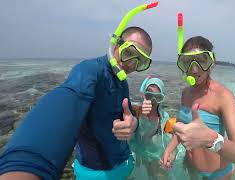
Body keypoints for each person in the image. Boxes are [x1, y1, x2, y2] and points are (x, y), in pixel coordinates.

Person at [0, 2, 159, 179]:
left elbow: (126, 114)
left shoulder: (122, 83)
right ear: (116, 45)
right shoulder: (90, 70)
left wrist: (134, 123)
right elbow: (66, 101)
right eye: (129, 53)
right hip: (95, 173)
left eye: (140, 62)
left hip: (124, 164)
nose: (131, 65)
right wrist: (24, 165)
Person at [160, 13, 235, 180]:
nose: (194, 69)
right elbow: (180, 126)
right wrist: (170, 149)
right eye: (188, 62)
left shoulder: (223, 96)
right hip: (191, 169)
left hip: (218, 175)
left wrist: (211, 138)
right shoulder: (186, 93)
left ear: (211, 62)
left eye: (202, 60)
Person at [129, 77, 172, 180]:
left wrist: (171, 156)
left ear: (161, 99)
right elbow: (138, 138)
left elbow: (169, 140)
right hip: (140, 154)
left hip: (156, 155)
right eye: (149, 95)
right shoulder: (136, 113)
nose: (152, 100)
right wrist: (143, 117)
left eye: (157, 97)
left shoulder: (164, 117)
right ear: (144, 96)